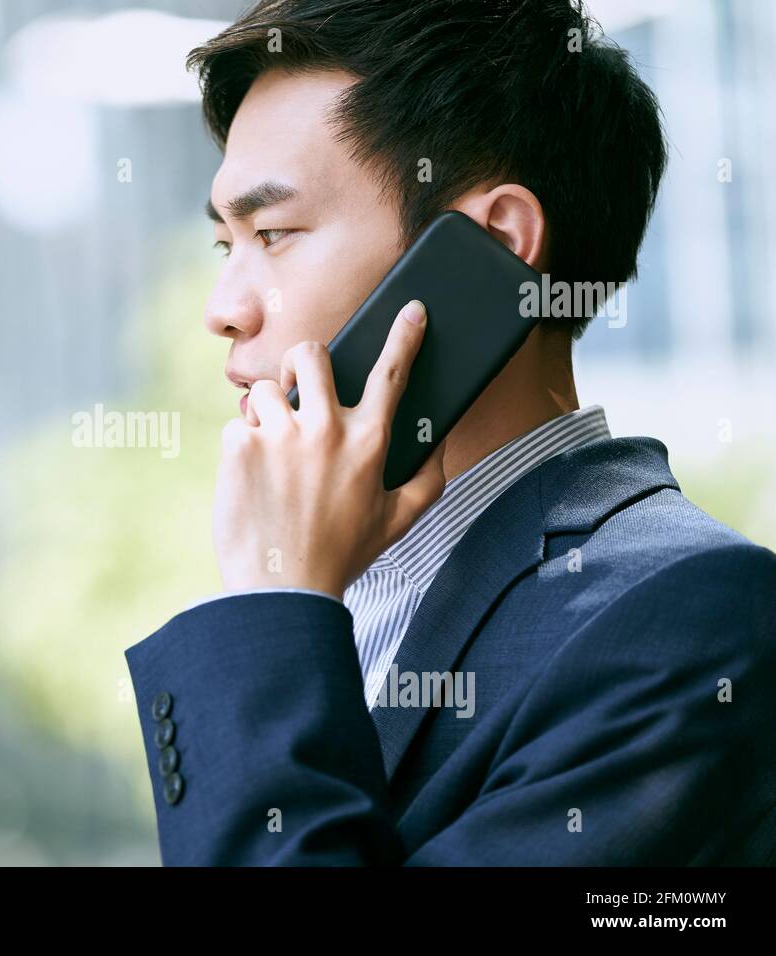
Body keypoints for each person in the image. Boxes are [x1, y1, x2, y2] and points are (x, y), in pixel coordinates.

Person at [123, 0, 776, 865]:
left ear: (491, 246)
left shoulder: (691, 620)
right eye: (225, 245)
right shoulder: (333, 587)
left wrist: (275, 605)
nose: (223, 311)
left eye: (274, 235)